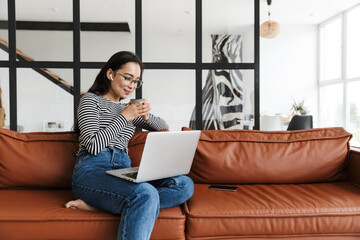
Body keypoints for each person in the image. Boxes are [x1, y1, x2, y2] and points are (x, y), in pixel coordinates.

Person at [64, 51, 194, 240]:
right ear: (110, 74)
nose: (132, 86)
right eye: (128, 78)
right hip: (92, 170)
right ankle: (124, 201)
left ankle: (104, 205)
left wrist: (146, 116)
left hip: (123, 171)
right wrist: (125, 116)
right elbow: (92, 145)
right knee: (145, 194)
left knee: (184, 184)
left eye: (136, 81)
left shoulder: (128, 109)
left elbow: (162, 127)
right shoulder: (90, 101)